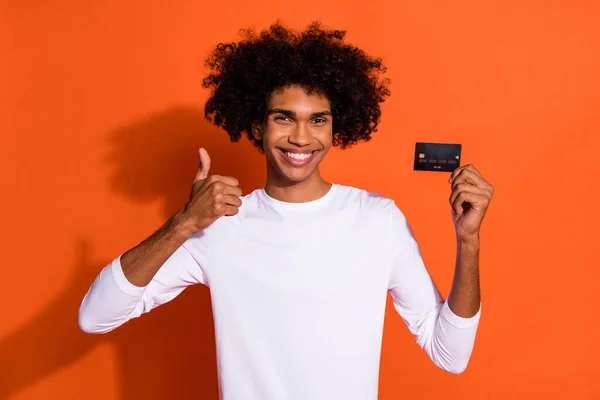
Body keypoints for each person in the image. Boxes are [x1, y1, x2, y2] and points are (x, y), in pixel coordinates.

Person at [79, 21, 494, 400]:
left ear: (336, 129)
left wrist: (468, 240)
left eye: (317, 120)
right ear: (258, 127)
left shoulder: (378, 220)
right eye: (284, 118)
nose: (300, 138)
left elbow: (449, 354)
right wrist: (183, 223)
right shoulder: (219, 225)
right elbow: (94, 317)